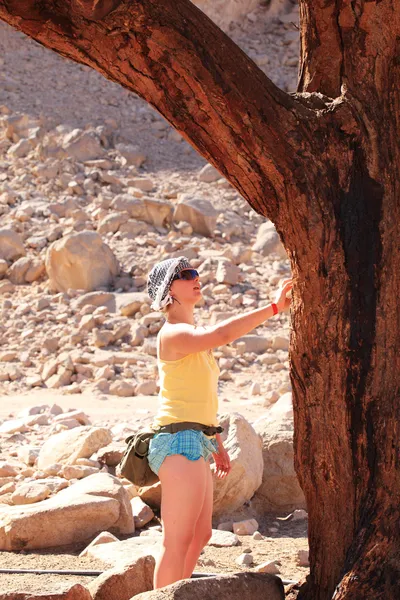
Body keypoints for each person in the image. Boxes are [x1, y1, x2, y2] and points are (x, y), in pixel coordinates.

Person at [146, 256, 292, 589]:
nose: (196, 277)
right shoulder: (173, 333)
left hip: (195, 438)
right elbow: (223, 333)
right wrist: (272, 307)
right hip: (176, 440)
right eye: (185, 275)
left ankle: (178, 594)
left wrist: (217, 443)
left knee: (200, 534)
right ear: (169, 291)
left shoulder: (192, 336)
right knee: (178, 538)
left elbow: (197, 399)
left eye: (195, 272)